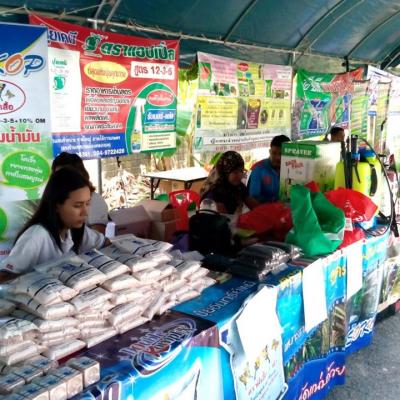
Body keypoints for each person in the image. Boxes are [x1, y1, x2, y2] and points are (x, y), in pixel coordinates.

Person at [0, 168, 109, 281]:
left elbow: (105, 243)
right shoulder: (36, 236)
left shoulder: (76, 229)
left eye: (88, 204)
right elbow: (4, 277)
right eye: (77, 205)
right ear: (57, 205)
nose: (85, 212)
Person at [52, 152, 109, 234]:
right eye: (58, 176)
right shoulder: (56, 200)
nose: (62, 180)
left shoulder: (94, 200)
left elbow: (98, 236)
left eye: (67, 175)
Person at [247, 134, 290, 203]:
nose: (278, 158)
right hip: (264, 208)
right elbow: (253, 199)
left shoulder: (293, 168)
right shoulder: (258, 169)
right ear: (270, 151)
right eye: (274, 153)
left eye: (281, 154)